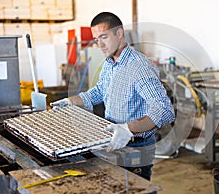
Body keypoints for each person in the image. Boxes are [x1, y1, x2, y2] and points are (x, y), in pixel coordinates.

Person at [51, 12, 175, 180]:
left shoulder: (139, 67)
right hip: (113, 142)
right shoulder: (109, 64)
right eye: (96, 40)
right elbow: (99, 91)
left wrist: (128, 129)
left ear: (119, 33)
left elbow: (164, 109)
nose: (100, 45)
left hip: (137, 148)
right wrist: (70, 101)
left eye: (104, 37)